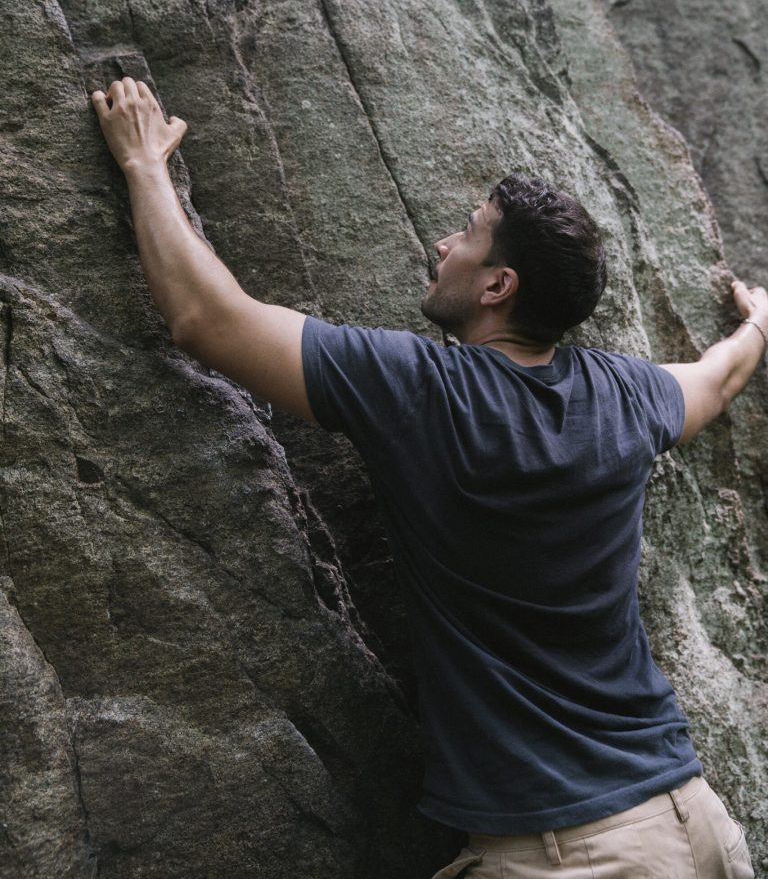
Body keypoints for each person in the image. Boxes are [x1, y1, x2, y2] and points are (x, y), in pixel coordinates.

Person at [92, 78, 764, 878]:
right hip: (695, 821)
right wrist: (760, 324)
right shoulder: (628, 395)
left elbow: (207, 319)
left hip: (575, 855)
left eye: (469, 234)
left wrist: (143, 165)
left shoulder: (424, 392)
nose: (444, 244)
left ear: (497, 286)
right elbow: (719, 377)